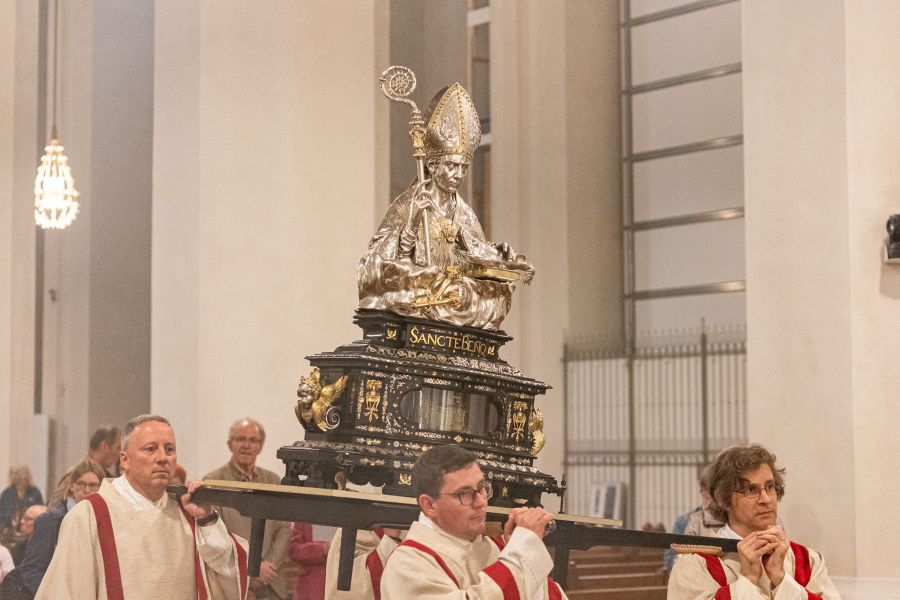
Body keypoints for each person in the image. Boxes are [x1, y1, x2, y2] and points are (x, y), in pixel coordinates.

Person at [358, 82, 534, 332]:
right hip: (420, 287)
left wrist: (497, 256)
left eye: (463, 168)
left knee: (494, 292)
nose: (458, 175)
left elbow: (472, 255)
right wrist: (412, 223)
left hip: (452, 292)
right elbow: (378, 261)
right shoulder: (410, 202)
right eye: (451, 166)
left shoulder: (463, 213)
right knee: (409, 282)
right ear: (432, 165)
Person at [35, 414, 249, 599]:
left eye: (169, 449)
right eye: (150, 449)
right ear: (124, 460)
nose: (162, 458)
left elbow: (230, 578)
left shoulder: (189, 516)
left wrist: (207, 519)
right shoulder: (89, 516)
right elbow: (65, 591)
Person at [380, 444, 565, 600]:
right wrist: (521, 551)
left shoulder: (497, 548)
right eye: (465, 494)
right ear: (429, 505)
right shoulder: (408, 562)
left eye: (483, 488)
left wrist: (518, 550)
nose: (481, 502)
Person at [667, 443, 840, 599]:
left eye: (770, 487)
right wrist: (748, 579)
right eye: (750, 490)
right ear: (722, 498)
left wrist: (781, 579)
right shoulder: (694, 565)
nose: (766, 499)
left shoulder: (807, 560)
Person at [203, 418, 291, 599]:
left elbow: (283, 528)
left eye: (253, 440)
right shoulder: (213, 482)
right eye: (240, 439)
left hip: (271, 581)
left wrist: (267, 565)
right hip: (231, 581)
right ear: (230, 444)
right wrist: (249, 571)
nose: (246, 445)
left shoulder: (273, 481)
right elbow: (215, 534)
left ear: (260, 447)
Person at [15, 459, 105, 595]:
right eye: (81, 484)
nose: (87, 490)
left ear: (101, 488)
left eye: (93, 485)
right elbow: (31, 569)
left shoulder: (104, 522)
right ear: (72, 486)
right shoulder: (49, 521)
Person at [47, 425, 122, 506]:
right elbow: (55, 506)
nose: (119, 453)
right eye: (118, 448)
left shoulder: (109, 477)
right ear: (105, 446)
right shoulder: (75, 474)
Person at [664, 468, 715, 573]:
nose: (712, 504)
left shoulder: (733, 521)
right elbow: (670, 559)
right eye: (708, 498)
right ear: (703, 492)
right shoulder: (684, 522)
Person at [290, 522, 328, 600]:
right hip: (311, 585)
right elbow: (294, 550)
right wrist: (322, 549)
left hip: (339, 582)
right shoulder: (304, 515)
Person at [0, 466, 43, 534]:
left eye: (17, 473)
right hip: (9, 532)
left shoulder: (35, 492)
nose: (14, 476)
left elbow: (40, 513)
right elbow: (2, 513)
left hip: (31, 531)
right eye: (12, 473)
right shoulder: (6, 493)